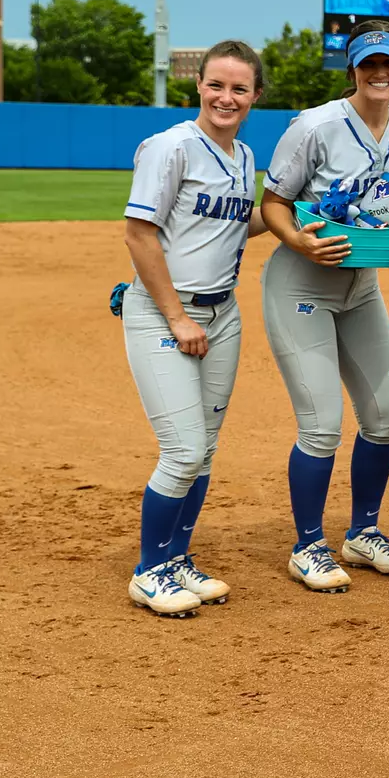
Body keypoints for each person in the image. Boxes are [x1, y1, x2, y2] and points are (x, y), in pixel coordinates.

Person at [261, 22, 389, 593]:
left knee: (386, 417)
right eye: (368, 64)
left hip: (361, 287)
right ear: (352, 69)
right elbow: (274, 203)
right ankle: (308, 544)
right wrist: (299, 239)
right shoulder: (315, 125)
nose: (380, 73)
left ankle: (363, 531)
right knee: (322, 424)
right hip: (301, 284)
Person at [120, 41, 269, 616]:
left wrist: (292, 213)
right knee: (182, 449)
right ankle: (148, 570)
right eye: (216, 85)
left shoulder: (243, 157)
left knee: (203, 451)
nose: (225, 97)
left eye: (238, 88)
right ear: (199, 86)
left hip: (222, 313)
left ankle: (176, 558)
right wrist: (177, 317)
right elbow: (139, 233)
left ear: (255, 96)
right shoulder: (172, 146)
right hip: (167, 312)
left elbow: (236, 226)